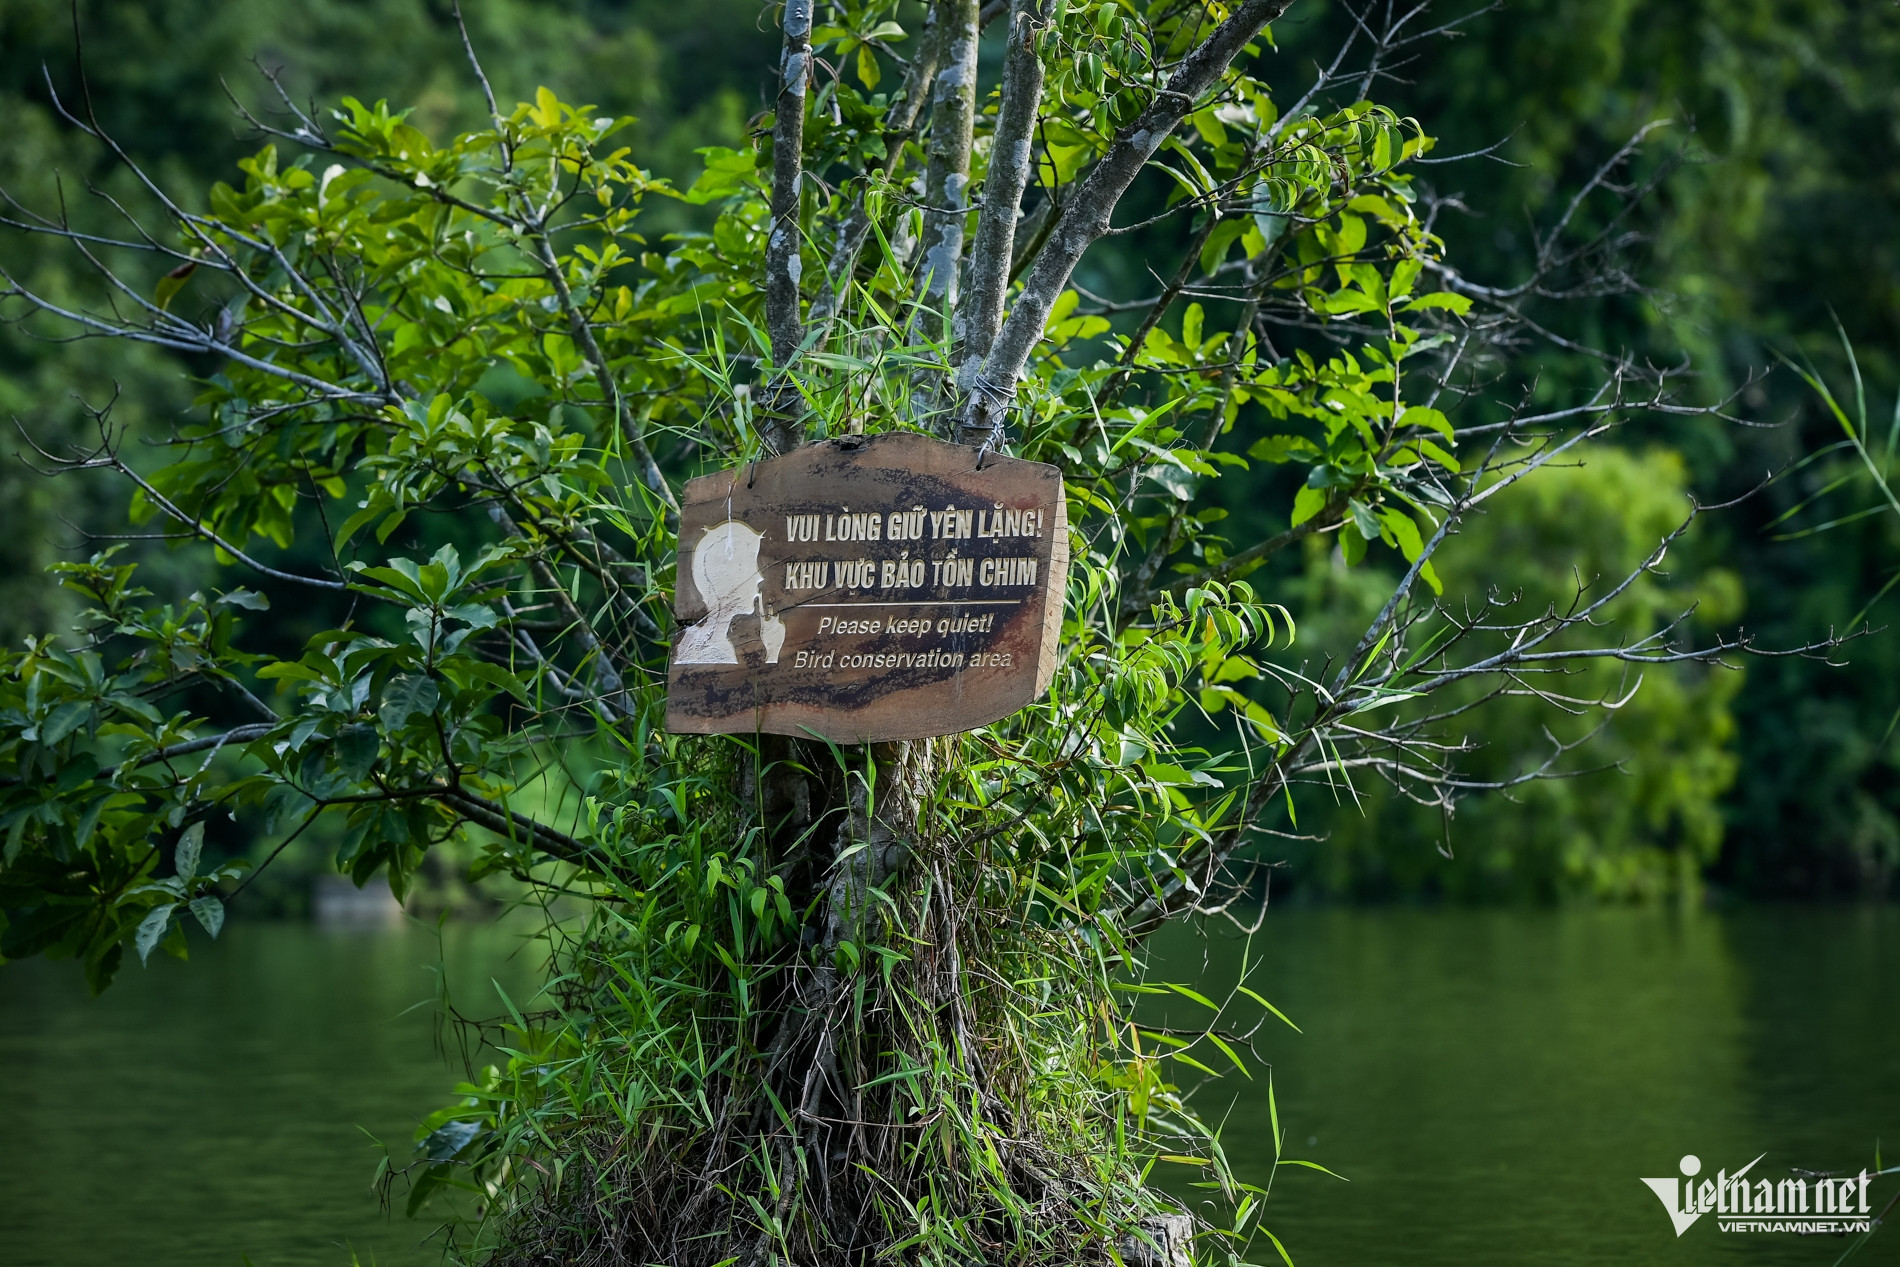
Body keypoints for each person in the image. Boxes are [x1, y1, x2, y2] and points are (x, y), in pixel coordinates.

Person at [674, 519, 785, 665]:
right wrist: (772, 653)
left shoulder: (718, 643)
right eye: (750, 567)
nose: (759, 577)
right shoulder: (710, 650)